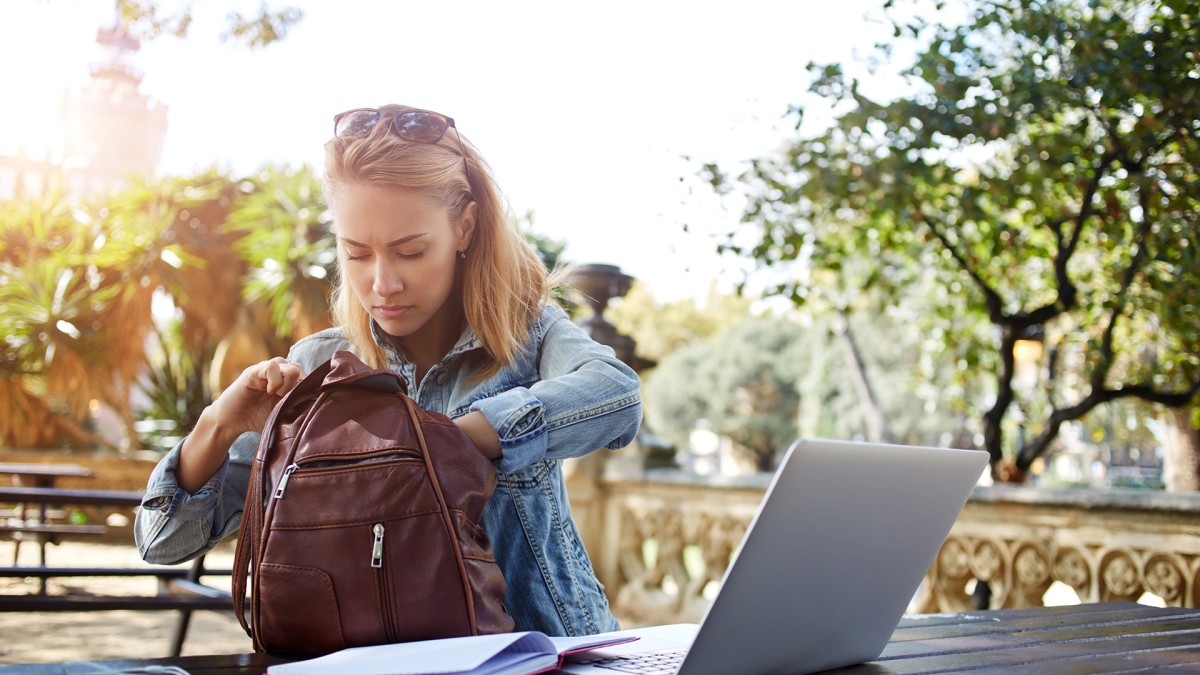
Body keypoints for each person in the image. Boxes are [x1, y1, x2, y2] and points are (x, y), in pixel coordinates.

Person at [135, 104, 642, 637]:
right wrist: (218, 424)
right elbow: (163, 539)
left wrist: (453, 441)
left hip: (547, 652)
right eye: (356, 254)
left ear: (464, 227)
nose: (382, 284)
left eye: (410, 251)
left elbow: (617, 396)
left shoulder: (529, 335)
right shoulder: (315, 368)